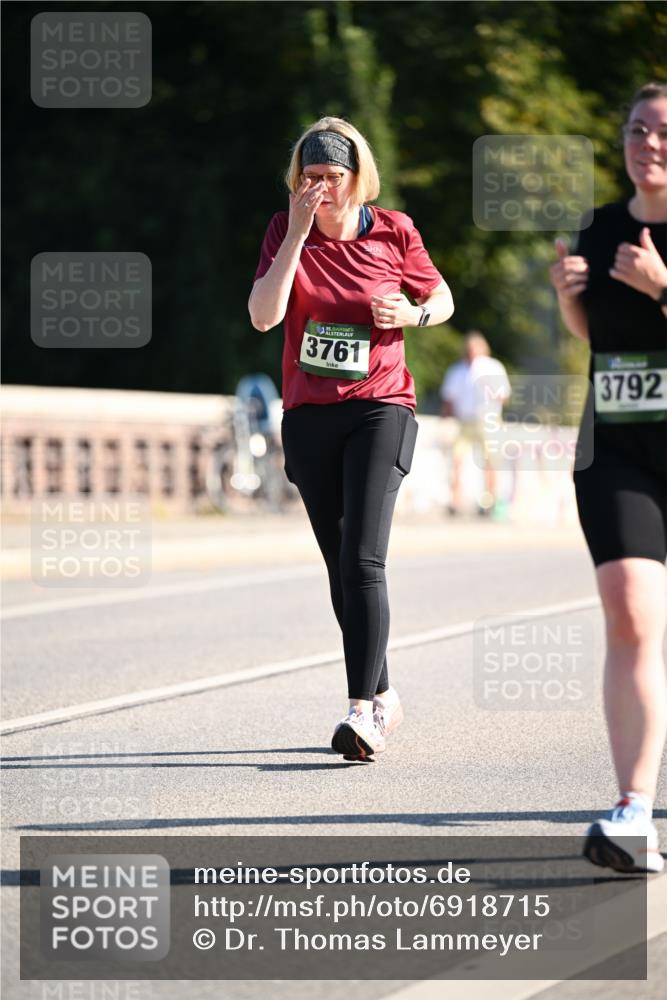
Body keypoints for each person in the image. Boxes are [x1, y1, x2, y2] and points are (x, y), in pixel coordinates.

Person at [248, 117, 454, 759]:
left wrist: (414, 313)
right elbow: (263, 317)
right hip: (310, 416)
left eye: (331, 178)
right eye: (307, 179)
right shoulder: (286, 231)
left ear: (356, 177)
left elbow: (442, 297)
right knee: (341, 565)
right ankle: (387, 696)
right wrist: (297, 237)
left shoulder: (395, 229)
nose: (320, 190)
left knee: (363, 557)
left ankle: (361, 712)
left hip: (380, 407)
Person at [550, 82, 667, 873]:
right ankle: (631, 810)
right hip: (618, 449)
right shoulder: (597, 228)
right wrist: (568, 304)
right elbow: (598, 340)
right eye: (635, 129)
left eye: (662, 132)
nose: (647, 143)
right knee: (628, 613)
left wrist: (662, 289)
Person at [439, 332, 510, 515]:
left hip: (488, 420)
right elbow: (449, 399)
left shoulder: (493, 367)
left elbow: (503, 396)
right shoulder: (457, 370)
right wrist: (445, 420)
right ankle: (455, 501)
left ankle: (489, 500)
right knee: (456, 460)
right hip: (464, 421)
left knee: (489, 462)